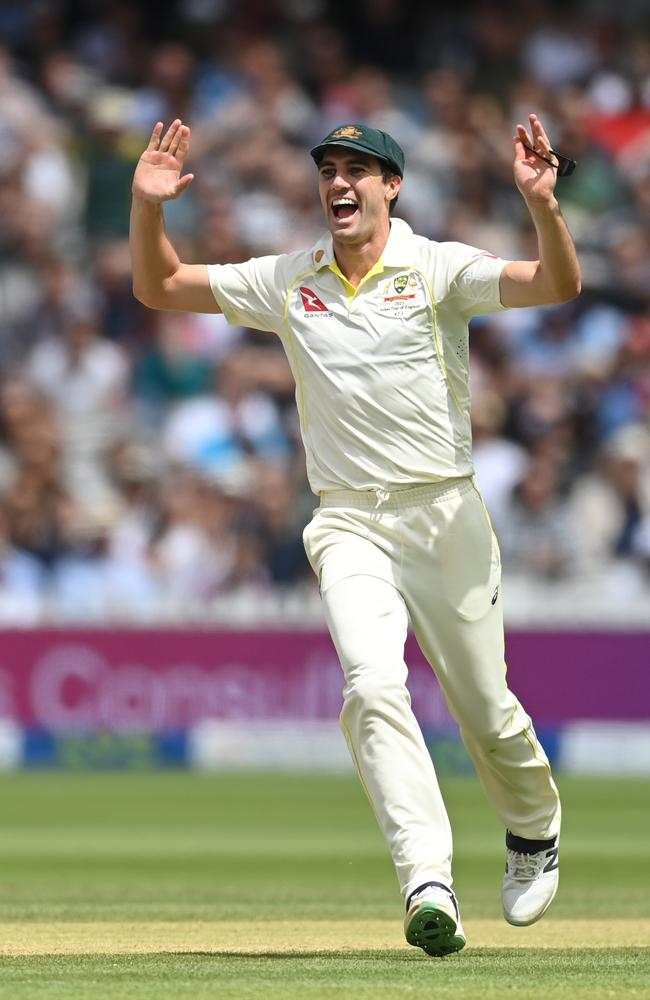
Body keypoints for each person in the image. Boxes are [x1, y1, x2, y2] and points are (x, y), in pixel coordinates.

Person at [130, 114, 580, 956]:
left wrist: (543, 206)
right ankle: (427, 882)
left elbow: (555, 286)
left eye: (358, 169)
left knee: (486, 711)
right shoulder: (289, 278)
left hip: (444, 513)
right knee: (372, 687)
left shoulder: (436, 267)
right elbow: (161, 289)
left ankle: (534, 827)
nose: (340, 181)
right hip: (347, 521)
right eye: (329, 168)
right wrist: (149, 210)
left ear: (391, 186)